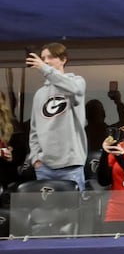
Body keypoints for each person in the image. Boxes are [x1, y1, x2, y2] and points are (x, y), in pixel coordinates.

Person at [26, 43, 87, 188]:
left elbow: (73, 90)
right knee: (46, 210)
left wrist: (44, 69)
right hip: (44, 167)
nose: (45, 61)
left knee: (75, 210)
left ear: (63, 59)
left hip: (71, 165)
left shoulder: (77, 81)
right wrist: (36, 159)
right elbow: (34, 130)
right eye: (43, 58)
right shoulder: (40, 94)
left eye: (50, 57)